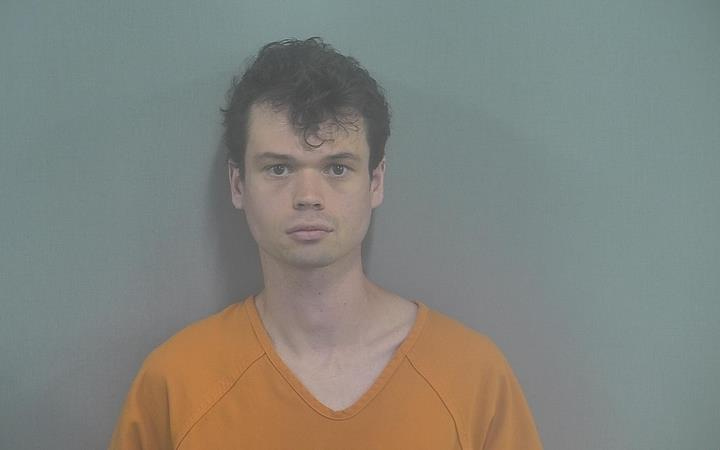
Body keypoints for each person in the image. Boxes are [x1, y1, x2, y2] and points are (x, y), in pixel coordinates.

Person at [108, 37, 543, 450]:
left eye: (337, 168)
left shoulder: (473, 379)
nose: (308, 196)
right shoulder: (176, 384)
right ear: (238, 184)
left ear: (375, 182)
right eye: (279, 168)